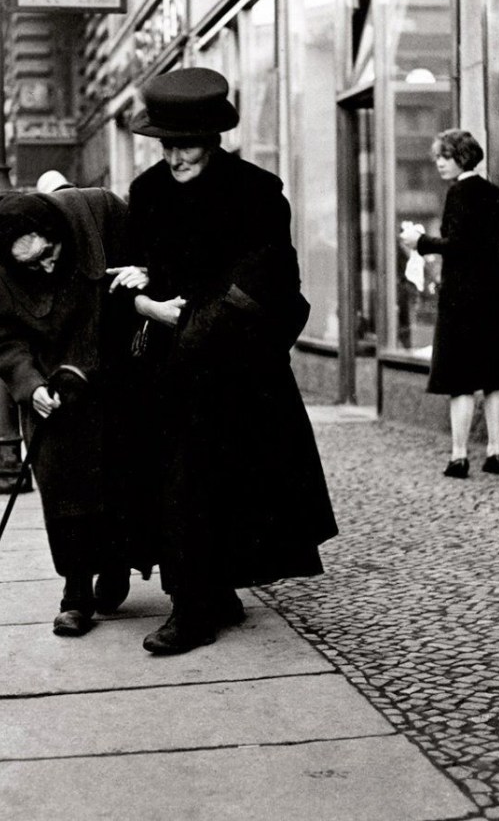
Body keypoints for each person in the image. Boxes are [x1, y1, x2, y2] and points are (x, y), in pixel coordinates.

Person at [122, 67, 338, 655]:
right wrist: (144, 291)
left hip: (240, 369)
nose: (175, 157)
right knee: (181, 485)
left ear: (215, 138)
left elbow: (272, 275)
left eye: (185, 144)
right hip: (170, 371)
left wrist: (197, 323)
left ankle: (210, 597)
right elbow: (133, 272)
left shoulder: (257, 192)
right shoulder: (146, 193)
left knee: (232, 484)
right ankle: (196, 602)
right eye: (166, 145)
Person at [0, 187, 150, 637]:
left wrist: (146, 272)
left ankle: (115, 567)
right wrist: (29, 384)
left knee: (120, 484)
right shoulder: (6, 269)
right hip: (53, 397)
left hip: (117, 384)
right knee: (66, 494)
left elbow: (156, 253)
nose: (46, 267)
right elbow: (0, 337)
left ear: (57, 232)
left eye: (49, 254)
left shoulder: (102, 212)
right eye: (32, 265)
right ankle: (76, 594)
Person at [400, 128, 499, 478]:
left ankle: (459, 457)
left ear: (462, 157)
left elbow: (458, 245)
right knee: (494, 378)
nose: (439, 163)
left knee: (461, 380)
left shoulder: (458, 193)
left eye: (445, 156)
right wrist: (497, 275)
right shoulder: (492, 192)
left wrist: (420, 241)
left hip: (461, 300)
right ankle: (496, 454)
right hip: (494, 299)